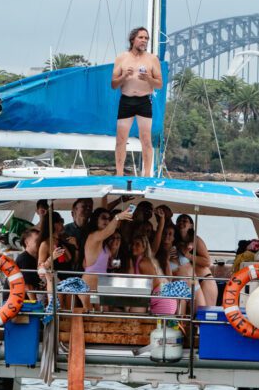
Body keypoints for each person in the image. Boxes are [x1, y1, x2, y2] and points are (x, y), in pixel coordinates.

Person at [111, 26, 163, 177]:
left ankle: (147, 174)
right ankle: (119, 173)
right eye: (141, 37)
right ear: (133, 39)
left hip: (144, 101)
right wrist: (124, 77)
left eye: (146, 38)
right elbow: (113, 84)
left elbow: (159, 84)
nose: (144, 41)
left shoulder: (152, 59)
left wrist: (148, 78)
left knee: (146, 139)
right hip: (126, 101)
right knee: (121, 139)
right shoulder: (121, 58)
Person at [82, 207, 133, 308]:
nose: (107, 221)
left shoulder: (103, 243)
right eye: (103, 218)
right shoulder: (93, 236)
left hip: (100, 284)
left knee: (102, 316)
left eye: (109, 219)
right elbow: (108, 231)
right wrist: (117, 217)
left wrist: (117, 259)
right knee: (93, 318)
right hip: (91, 284)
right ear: (95, 219)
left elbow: (111, 264)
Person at [175, 214, 217, 306]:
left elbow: (207, 262)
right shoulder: (176, 242)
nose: (181, 222)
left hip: (204, 281)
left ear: (191, 225)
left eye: (185, 221)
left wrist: (188, 255)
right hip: (190, 283)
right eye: (179, 221)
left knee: (204, 315)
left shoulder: (196, 240)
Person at [15, 227, 42, 300]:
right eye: (37, 240)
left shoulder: (36, 258)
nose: (40, 243)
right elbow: (27, 286)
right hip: (19, 301)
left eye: (40, 240)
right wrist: (36, 305)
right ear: (27, 243)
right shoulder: (24, 259)